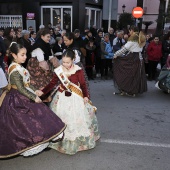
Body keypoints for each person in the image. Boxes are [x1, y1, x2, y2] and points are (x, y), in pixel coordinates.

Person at [0, 42, 66, 158]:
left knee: (39, 115)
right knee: (26, 123)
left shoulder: (19, 66)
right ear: (14, 55)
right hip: (17, 98)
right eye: (22, 55)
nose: (25, 57)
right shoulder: (14, 69)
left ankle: (43, 139)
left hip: (22, 94)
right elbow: (20, 88)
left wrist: (35, 90)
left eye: (25, 54)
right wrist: (33, 97)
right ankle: (32, 143)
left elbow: (26, 84)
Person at [38, 49, 100, 155]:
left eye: (68, 62)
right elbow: (52, 83)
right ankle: (60, 139)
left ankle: (79, 141)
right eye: (63, 62)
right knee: (62, 118)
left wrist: (86, 96)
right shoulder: (59, 70)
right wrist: (42, 92)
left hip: (76, 98)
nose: (65, 64)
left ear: (73, 60)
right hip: (62, 97)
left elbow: (83, 84)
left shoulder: (78, 70)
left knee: (78, 119)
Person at [113, 25, 147, 96]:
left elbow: (125, 49)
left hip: (133, 57)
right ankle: (134, 90)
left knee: (128, 74)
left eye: (130, 30)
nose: (129, 32)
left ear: (132, 30)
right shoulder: (141, 37)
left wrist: (116, 54)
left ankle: (128, 90)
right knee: (136, 75)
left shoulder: (133, 38)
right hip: (139, 57)